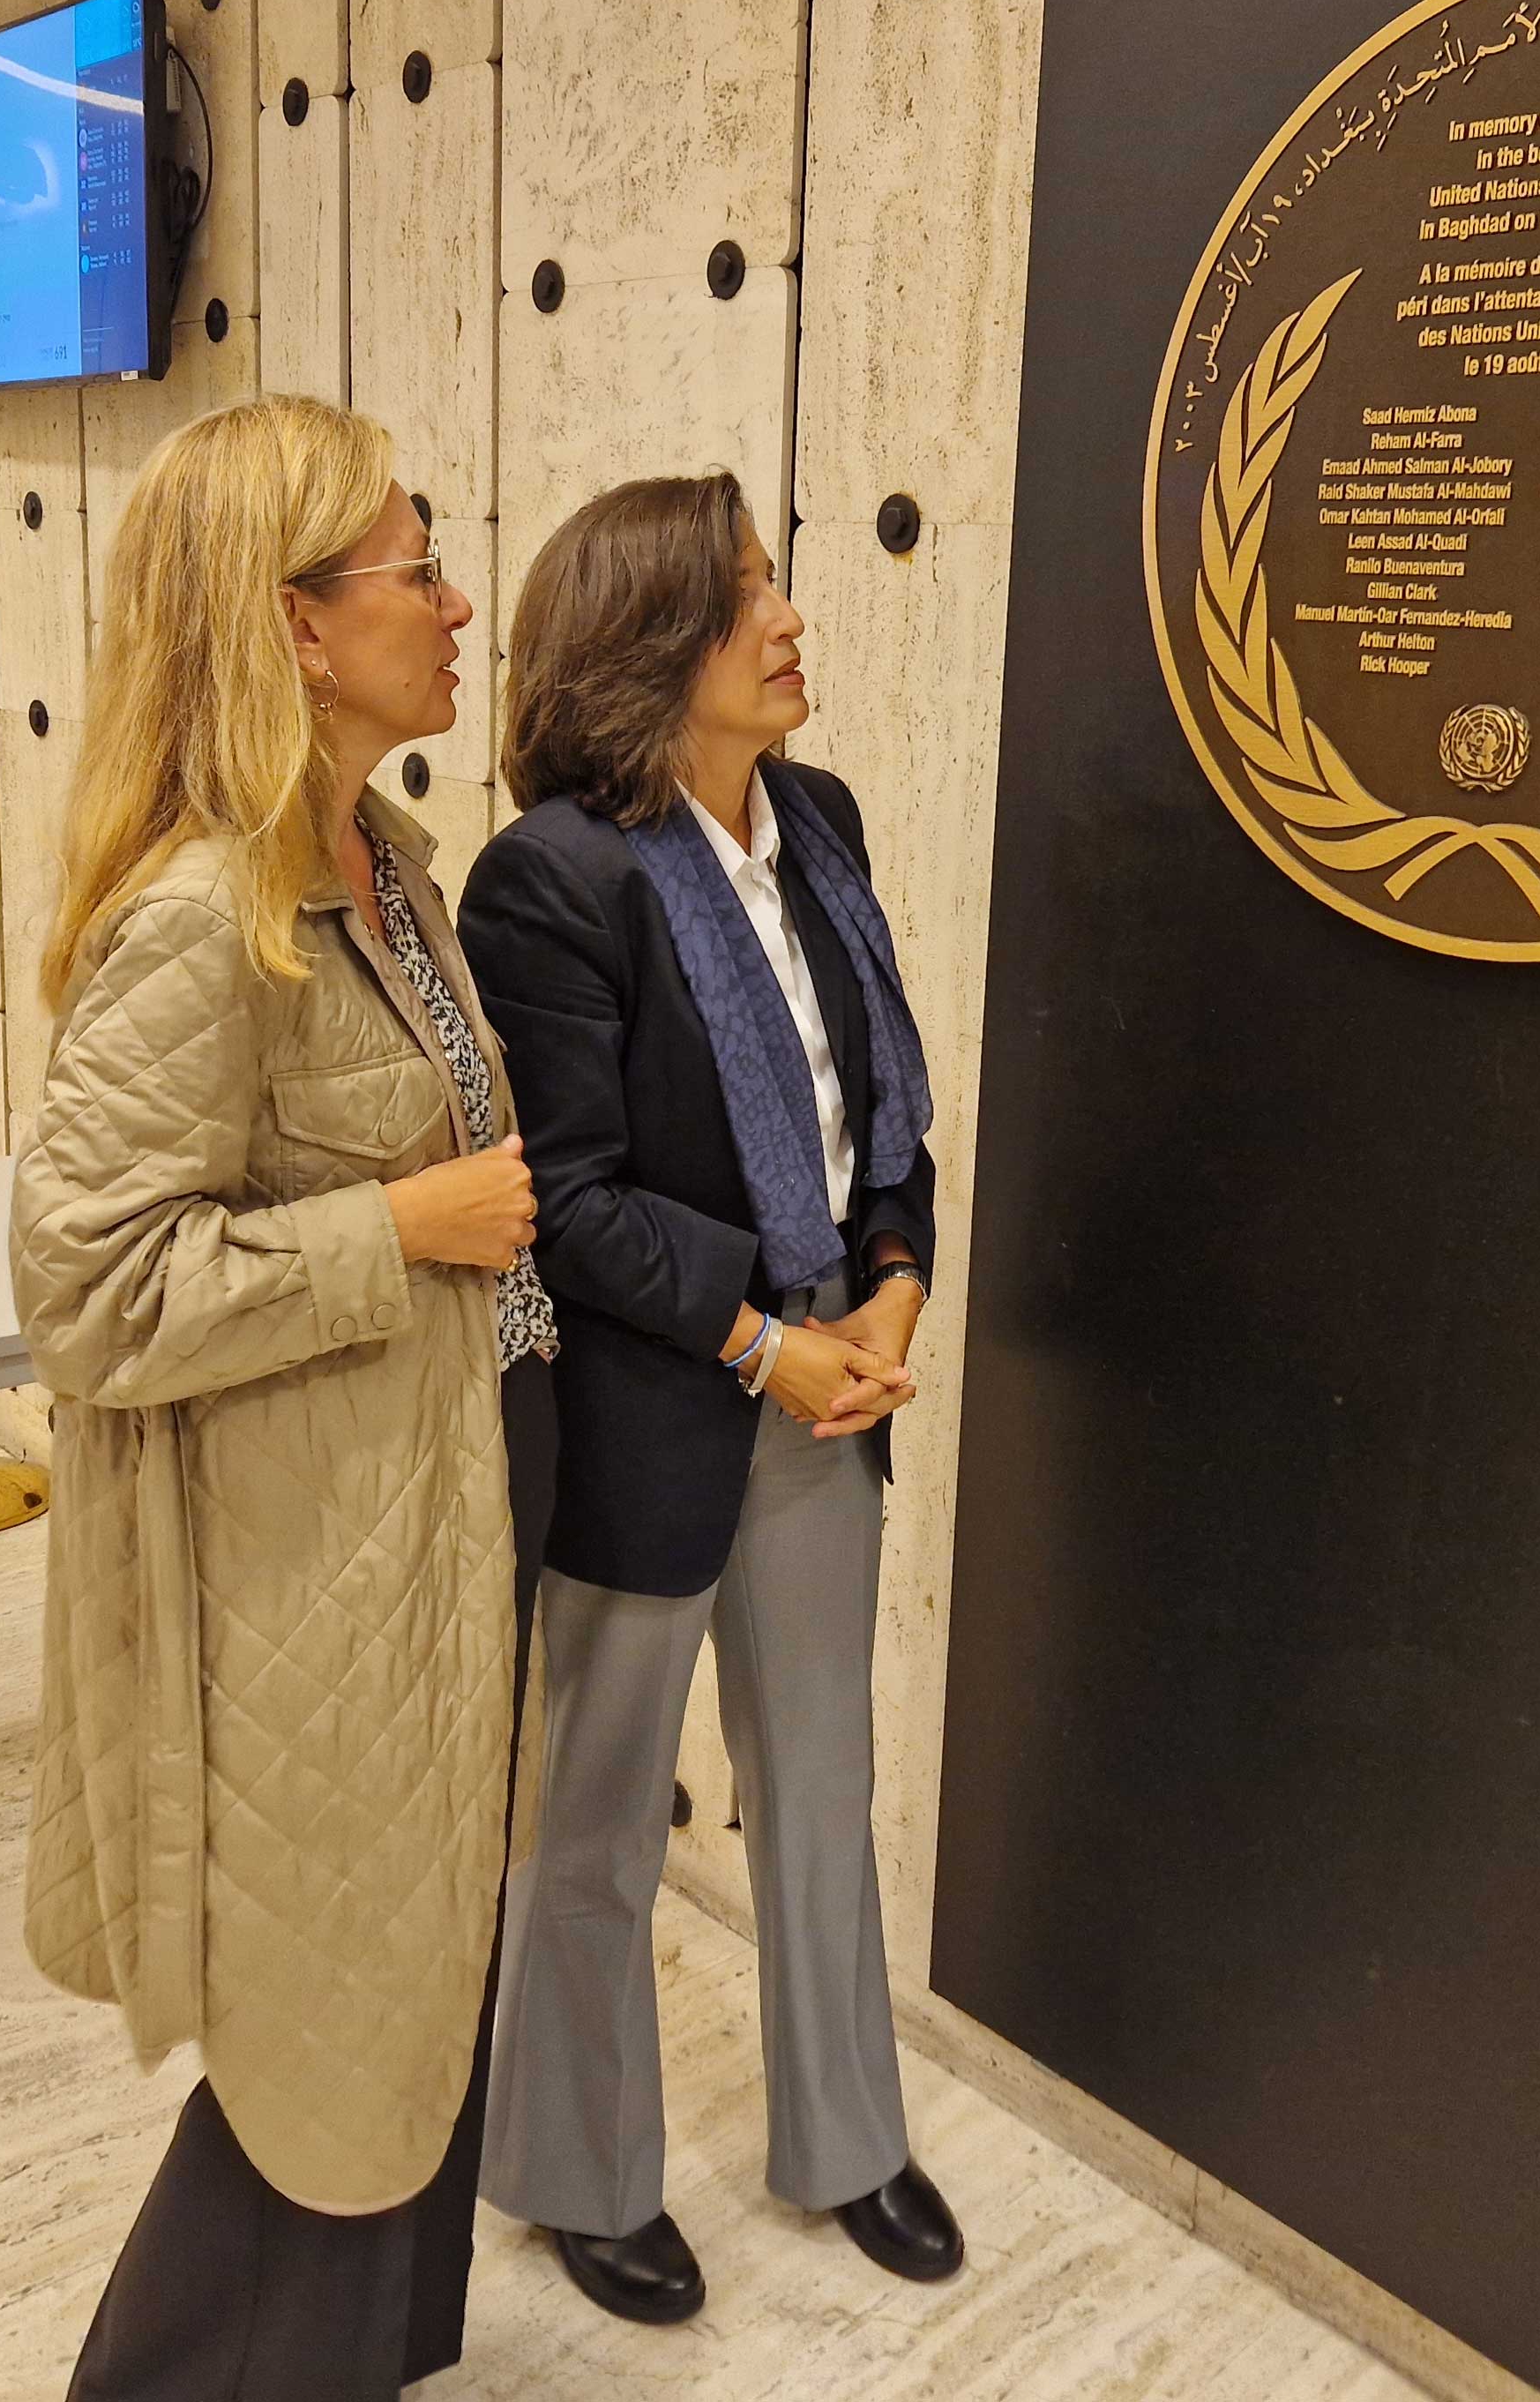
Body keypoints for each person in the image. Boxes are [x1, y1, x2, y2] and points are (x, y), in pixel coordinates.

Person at [13, 394, 555, 2399]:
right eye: (416, 565)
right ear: (298, 626)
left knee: (409, 2002)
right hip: (308, 1582)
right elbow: (85, 1290)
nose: (457, 598)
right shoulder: (200, 913)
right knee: (333, 2023)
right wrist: (395, 1229)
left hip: (441, 1518)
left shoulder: (392, 863)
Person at [458, 471, 960, 2326]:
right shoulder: (554, 875)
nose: (789, 615)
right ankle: (579, 2169)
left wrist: (894, 1280)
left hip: (838, 1374)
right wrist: (767, 1335)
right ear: (654, 636)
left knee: (820, 1783)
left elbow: (879, 1106)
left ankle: (849, 2138)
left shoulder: (815, 818)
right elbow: (570, 1201)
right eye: (748, 589)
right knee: (595, 1816)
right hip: (666, 1404)